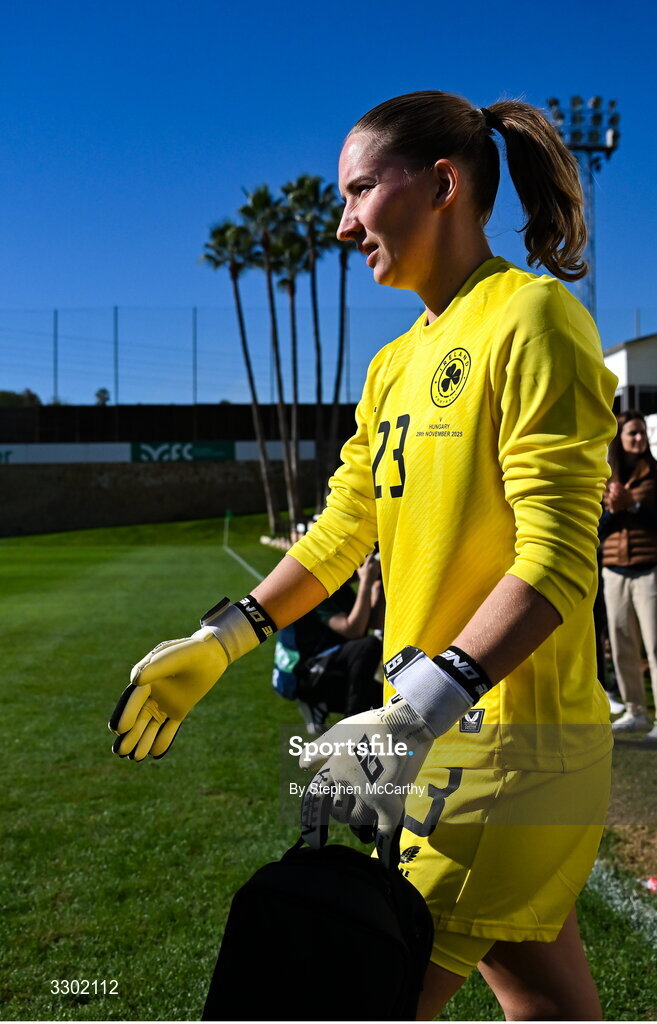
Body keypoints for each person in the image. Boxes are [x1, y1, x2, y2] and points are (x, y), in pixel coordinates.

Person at [109, 91, 618, 1020]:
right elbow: (345, 528)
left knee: (326, 993)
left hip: (504, 754)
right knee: (546, 1000)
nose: (343, 224)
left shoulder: (532, 319)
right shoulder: (393, 362)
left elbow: (556, 558)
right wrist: (224, 637)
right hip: (445, 745)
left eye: (357, 192)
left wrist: (418, 713)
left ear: (441, 185)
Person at [272, 551, 384, 733]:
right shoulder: (313, 589)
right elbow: (354, 631)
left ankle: (322, 703)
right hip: (304, 675)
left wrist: (380, 586)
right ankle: (350, 729)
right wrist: (366, 582)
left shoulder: (340, 588)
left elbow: (373, 622)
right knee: (368, 645)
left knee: (384, 699)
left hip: (325, 664)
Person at [600, 410, 657, 739]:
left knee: (654, 645)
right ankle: (636, 712)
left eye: (641, 432)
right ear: (619, 439)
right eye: (632, 433)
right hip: (614, 571)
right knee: (621, 645)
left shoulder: (654, 473)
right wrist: (613, 508)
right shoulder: (608, 478)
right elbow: (602, 529)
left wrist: (632, 507)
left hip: (649, 569)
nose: (639, 438)